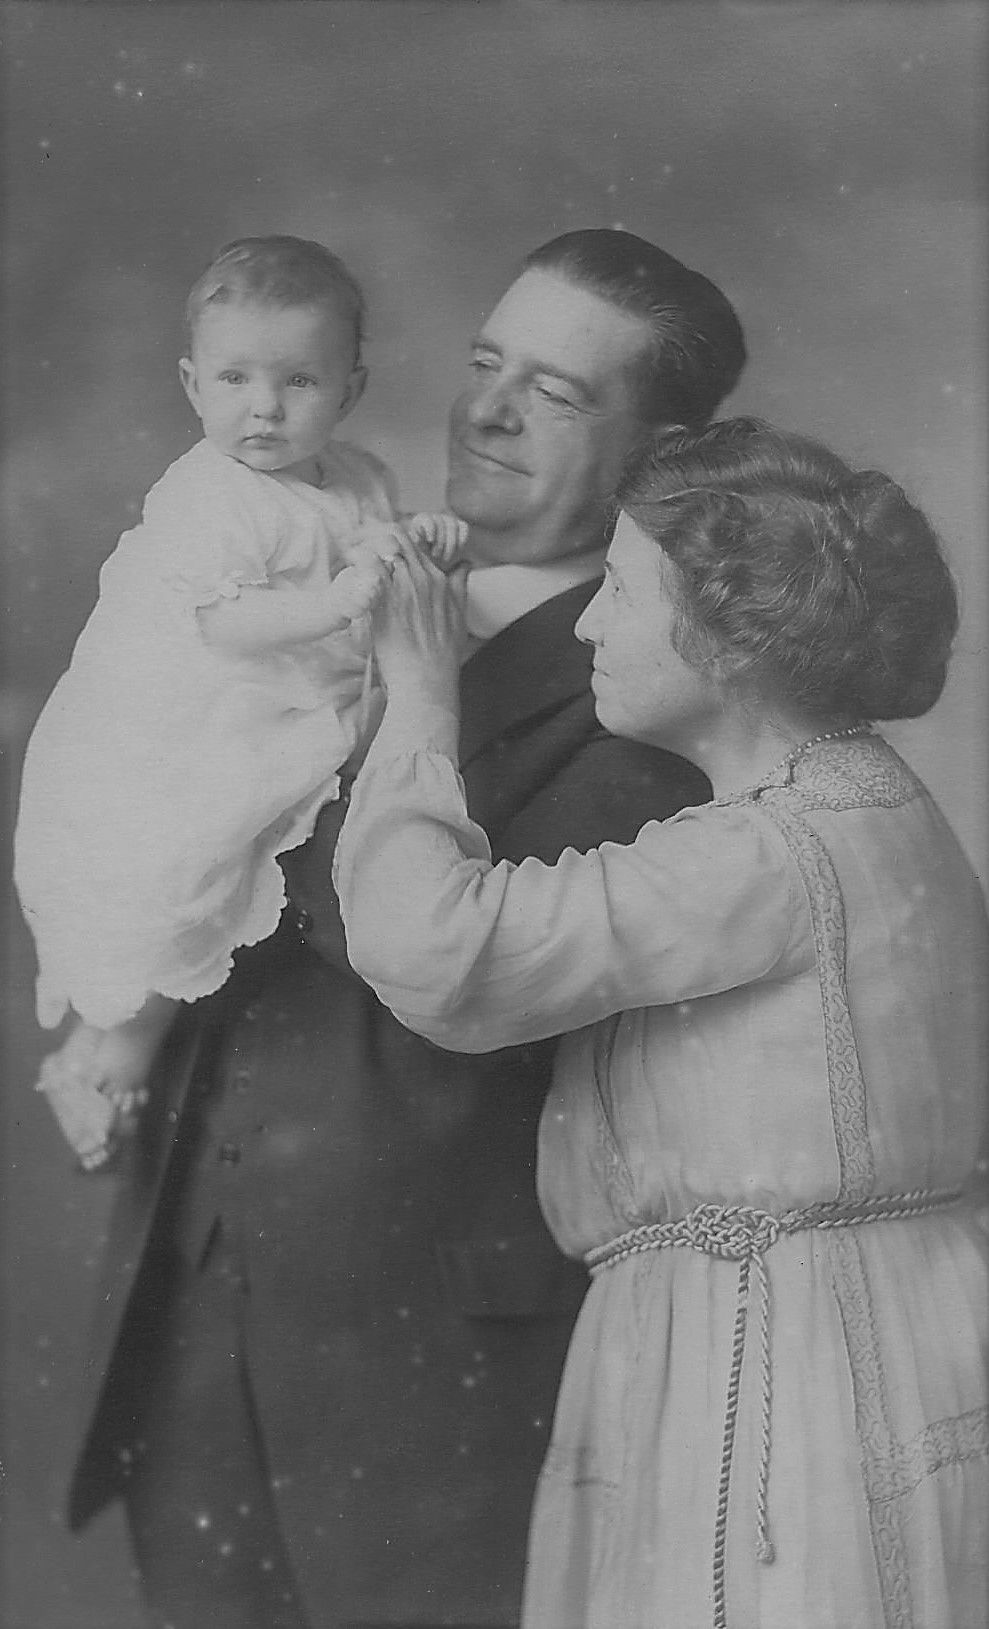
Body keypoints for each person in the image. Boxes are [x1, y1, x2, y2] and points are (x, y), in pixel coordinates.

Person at [66, 230, 745, 1629]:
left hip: (427, 1364)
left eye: (552, 392)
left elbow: (407, 943)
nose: (484, 409)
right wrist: (107, 1007)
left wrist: (411, 685)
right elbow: (151, 795)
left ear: (660, 452)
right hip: (193, 1295)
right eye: (486, 362)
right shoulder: (324, 566)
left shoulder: (652, 693)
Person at [334, 418, 989, 1629]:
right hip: (865, 1326)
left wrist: (420, 695)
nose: (587, 624)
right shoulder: (867, 806)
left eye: (620, 590)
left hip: (783, 1357)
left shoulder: (767, 852)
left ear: (729, 632)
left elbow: (433, 950)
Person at [14, 234, 462, 1170]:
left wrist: (411, 538)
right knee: (185, 865)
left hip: (294, 701)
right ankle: (114, 1046)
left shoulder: (356, 475)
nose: (264, 407)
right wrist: (333, 603)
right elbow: (225, 621)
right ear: (192, 384)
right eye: (235, 379)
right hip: (200, 711)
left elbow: (368, 541)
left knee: (248, 871)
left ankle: (117, 1048)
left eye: (298, 380)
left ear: (350, 389)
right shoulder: (210, 495)